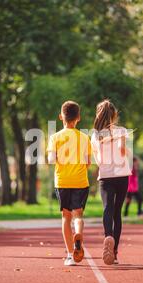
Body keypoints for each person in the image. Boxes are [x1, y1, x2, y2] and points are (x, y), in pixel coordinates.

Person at [47, 100, 91, 266]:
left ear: (61, 117)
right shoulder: (84, 137)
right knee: (78, 215)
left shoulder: (55, 137)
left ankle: (70, 256)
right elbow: (87, 163)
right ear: (78, 118)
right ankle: (78, 233)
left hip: (62, 181)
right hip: (80, 181)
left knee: (66, 217)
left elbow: (51, 160)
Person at [91, 100, 132, 265]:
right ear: (114, 115)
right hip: (122, 174)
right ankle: (114, 253)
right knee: (117, 212)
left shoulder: (95, 135)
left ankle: (108, 235)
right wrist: (124, 146)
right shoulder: (121, 131)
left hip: (106, 175)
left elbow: (97, 159)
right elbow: (123, 153)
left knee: (107, 208)